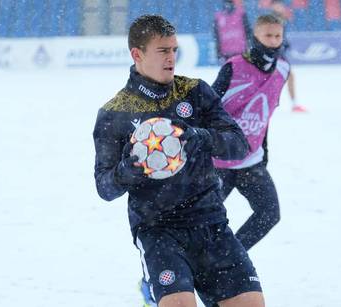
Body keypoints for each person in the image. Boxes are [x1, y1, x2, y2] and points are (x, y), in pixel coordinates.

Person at [93, 14, 265, 307]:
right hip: (158, 230)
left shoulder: (195, 92)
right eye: (162, 50)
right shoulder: (114, 113)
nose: (171, 57)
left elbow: (239, 145)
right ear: (137, 54)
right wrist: (126, 172)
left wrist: (201, 137)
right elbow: (105, 188)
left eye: (173, 49)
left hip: (211, 223)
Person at [210, 14, 289, 252]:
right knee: (196, 223)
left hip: (251, 161)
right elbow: (208, 108)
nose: (273, 41)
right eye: (268, 35)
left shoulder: (283, 70)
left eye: (278, 36)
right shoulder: (233, 67)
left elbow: (265, 112)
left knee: (269, 213)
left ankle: (228, 258)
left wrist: (264, 149)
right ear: (254, 36)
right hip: (218, 163)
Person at [268, 0, 307, 113]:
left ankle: (293, 104)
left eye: (281, 5)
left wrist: (284, 43)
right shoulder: (271, 19)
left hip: (278, 54)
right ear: (273, 6)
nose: (280, 7)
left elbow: (279, 36)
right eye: (278, 4)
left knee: (285, 77)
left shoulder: (281, 18)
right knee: (271, 79)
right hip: (273, 54)